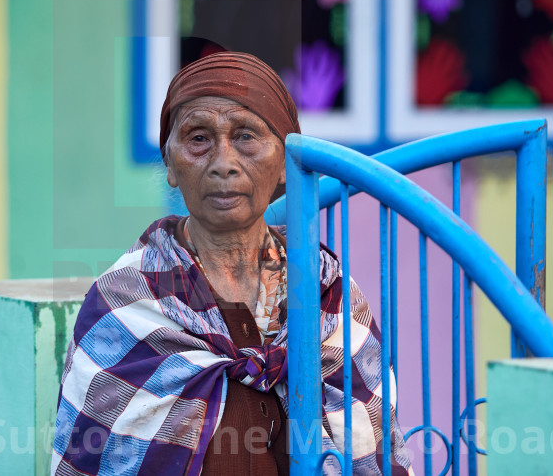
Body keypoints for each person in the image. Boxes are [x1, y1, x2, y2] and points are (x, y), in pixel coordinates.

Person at [51, 52, 412, 475]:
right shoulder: (126, 300)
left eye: (246, 136)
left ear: (284, 165)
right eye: (199, 138)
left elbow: (372, 449)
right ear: (170, 164)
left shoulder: (326, 292)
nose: (223, 163)